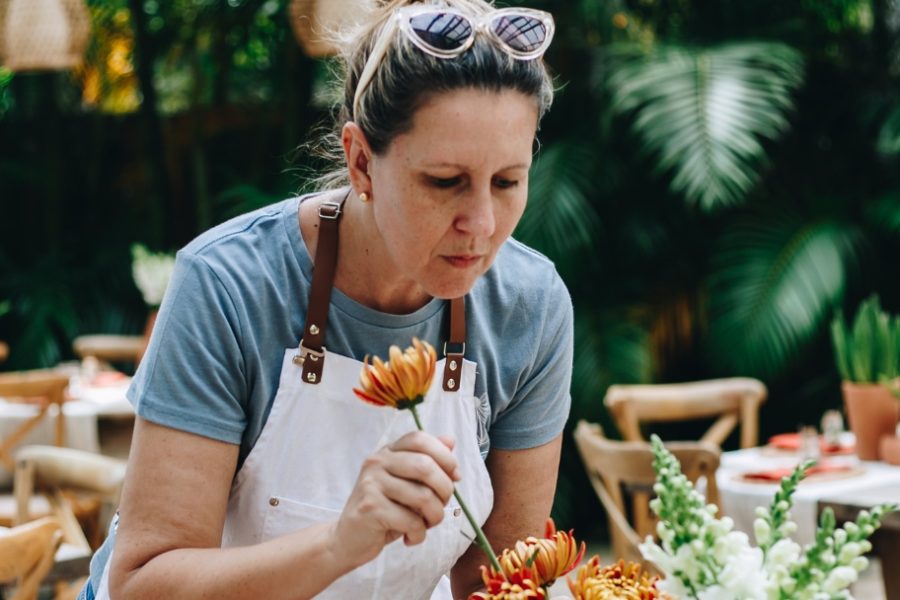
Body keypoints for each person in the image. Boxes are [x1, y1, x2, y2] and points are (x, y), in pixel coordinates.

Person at [80, 0, 571, 598]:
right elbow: (142, 584)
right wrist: (340, 543)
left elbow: (498, 583)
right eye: (445, 182)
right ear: (361, 161)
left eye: (507, 181)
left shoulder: (531, 305)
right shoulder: (228, 285)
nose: (483, 224)